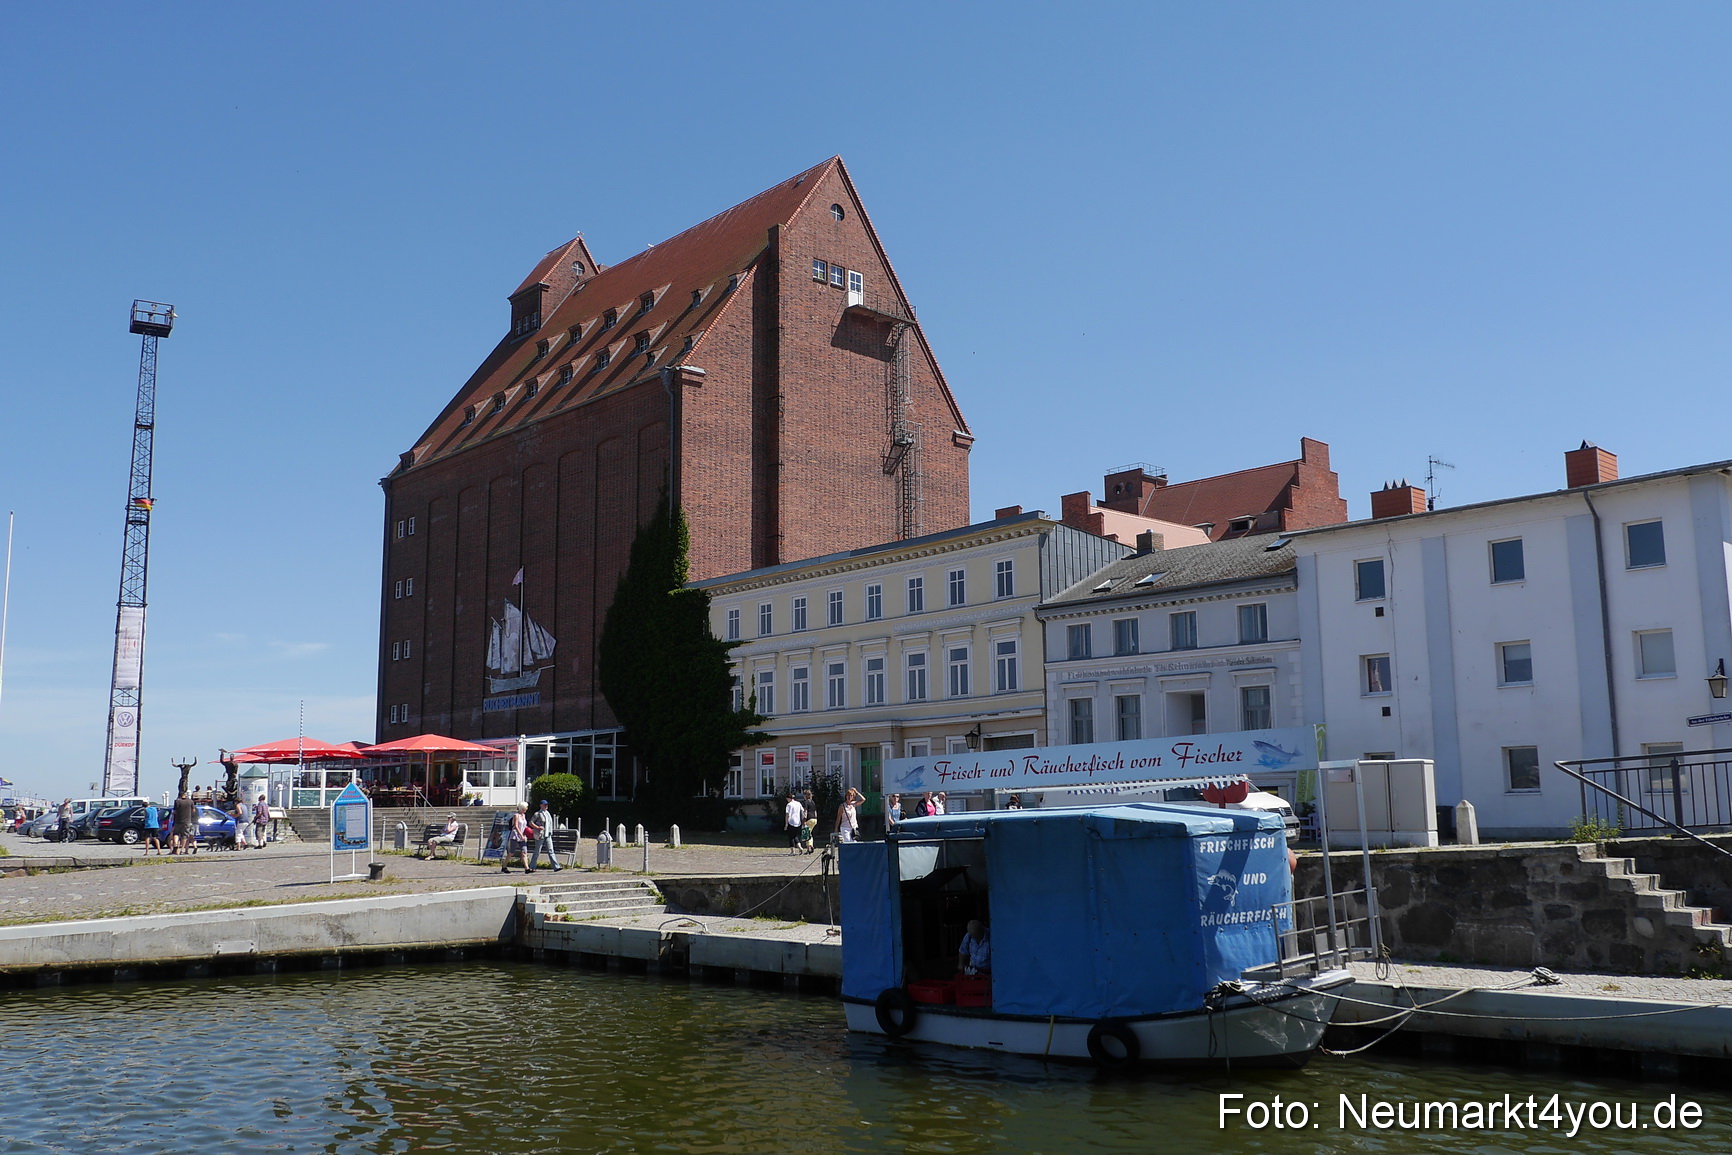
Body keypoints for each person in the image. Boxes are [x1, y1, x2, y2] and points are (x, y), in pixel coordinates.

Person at [528, 799, 563, 872]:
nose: (546, 806)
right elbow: (531, 822)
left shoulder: (548, 813)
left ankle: (556, 867)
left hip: (548, 835)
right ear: (541, 805)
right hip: (541, 835)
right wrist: (537, 827)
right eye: (544, 805)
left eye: (546, 805)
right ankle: (532, 866)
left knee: (551, 851)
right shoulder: (537, 814)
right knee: (537, 851)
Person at [501, 804, 534, 874]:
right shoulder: (516, 815)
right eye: (526, 807)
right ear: (522, 808)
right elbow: (516, 826)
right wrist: (521, 835)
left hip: (523, 836)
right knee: (511, 852)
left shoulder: (524, 815)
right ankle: (504, 866)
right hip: (515, 835)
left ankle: (527, 868)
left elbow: (524, 826)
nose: (527, 809)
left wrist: (527, 832)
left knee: (524, 852)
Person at [172, 791, 196, 856]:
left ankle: (175, 844)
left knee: (176, 834)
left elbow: (174, 811)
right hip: (187, 821)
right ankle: (182, 850)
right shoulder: (190, 801)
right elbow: (193, 810)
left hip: (178, 821)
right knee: (184, 836)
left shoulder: (177, 801)